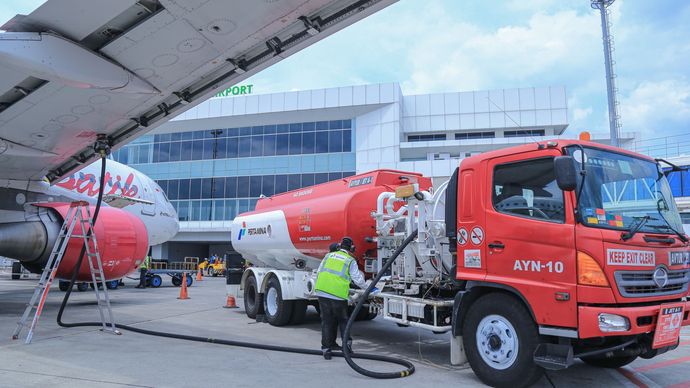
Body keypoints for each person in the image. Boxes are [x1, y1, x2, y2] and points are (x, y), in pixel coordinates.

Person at [314, 237, 367, 360]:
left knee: (327, 321)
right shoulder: (350, 260)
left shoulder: (329, 256)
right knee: (343, 320)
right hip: (337, 294)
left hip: (321, 291)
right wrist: (368, 287)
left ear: (340, 246)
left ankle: (327, 349)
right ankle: (346, 348)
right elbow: (357, 279)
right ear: (351, 248)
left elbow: (318, 272)